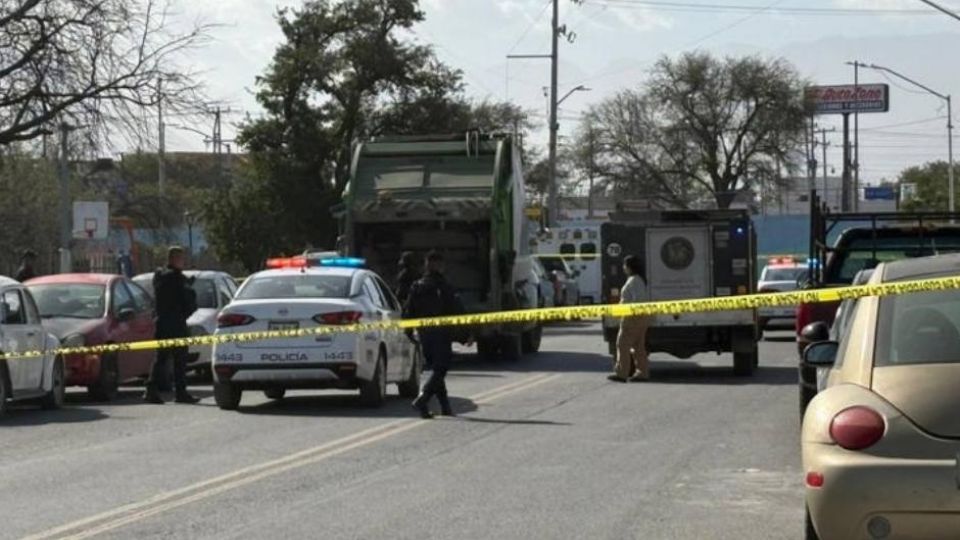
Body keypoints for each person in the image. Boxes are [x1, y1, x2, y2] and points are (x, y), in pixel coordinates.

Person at [405, 251, 464, 419]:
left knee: (437, 369)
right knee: (441, 368)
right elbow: (457, 310)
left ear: (426, 265)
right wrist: (466, 333)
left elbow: (409, 310)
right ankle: (423, 399)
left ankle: (444, 407)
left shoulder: (417, 286)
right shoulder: (444, 286)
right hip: (442, 333)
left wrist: (409, 331)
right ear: (439, 265)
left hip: (424, 334)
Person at [144, 246, 199, 404]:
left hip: (162, 323)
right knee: (179, 360)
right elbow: (188, 301)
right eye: (181, 259)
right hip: (176, 323)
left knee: (161, 358)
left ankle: (151, 390)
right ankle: (180, 393)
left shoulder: (160, 276)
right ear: (175, 259)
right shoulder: (176, 279)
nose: (183, 262)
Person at [611, 255, 651, 383]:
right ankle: (642, 372)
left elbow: (638, 300)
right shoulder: (638, 280)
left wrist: (628, 312)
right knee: (638, 346)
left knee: (622, 344)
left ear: (629, 267)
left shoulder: (634, 281)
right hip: (640, 317)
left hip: (633, 318)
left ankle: (622, 373)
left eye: (625, 265)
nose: (623, 268)